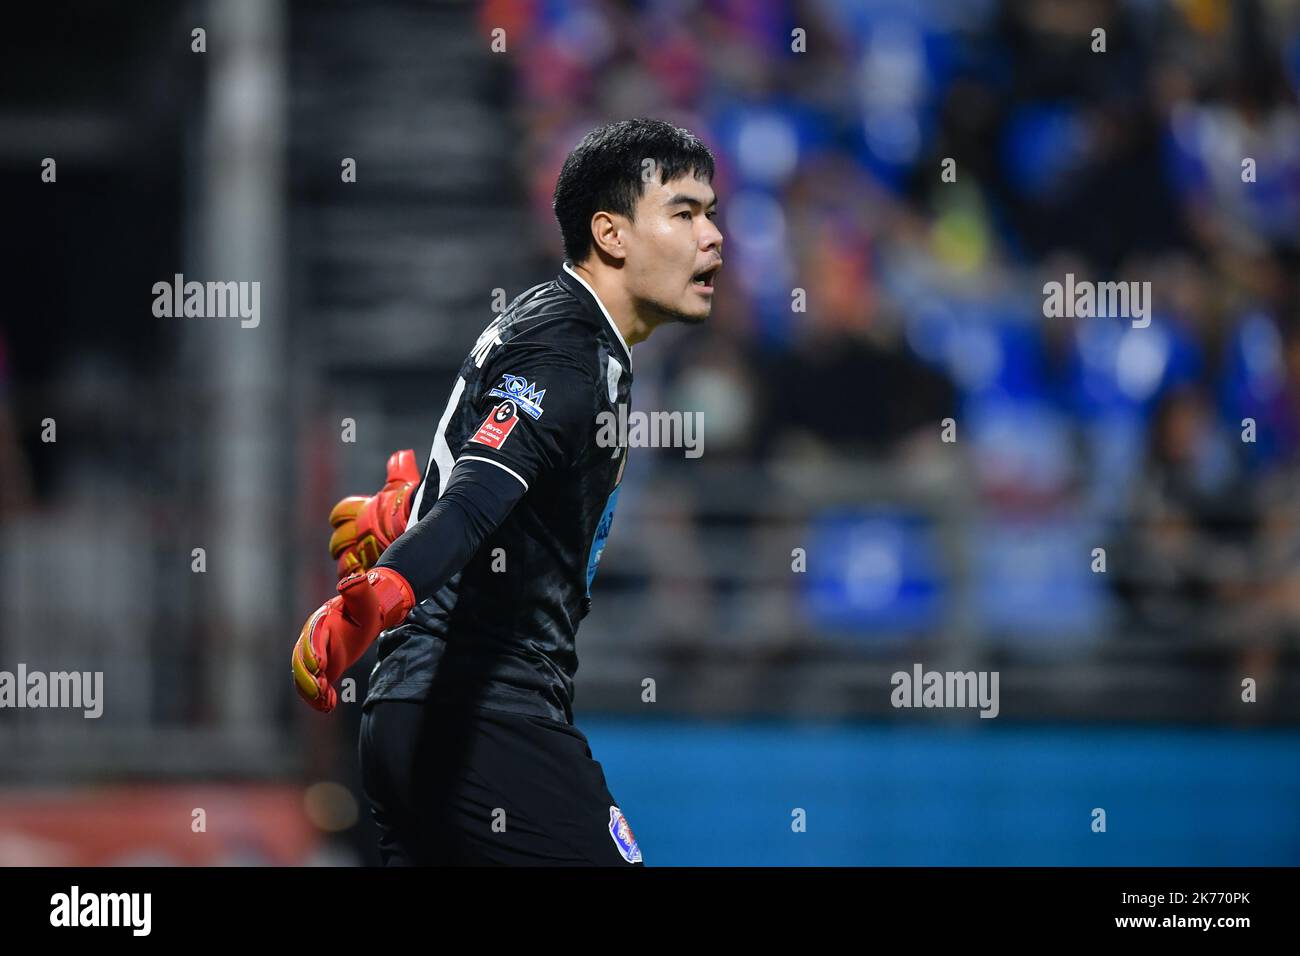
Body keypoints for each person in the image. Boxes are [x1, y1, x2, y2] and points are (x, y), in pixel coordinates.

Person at [290, 118, 723, 865]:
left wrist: (401, 515)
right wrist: (384, 591)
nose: (711, 235)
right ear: (611, 235)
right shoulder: (569, 353)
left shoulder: (550, 320)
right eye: (683, 214)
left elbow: (487, 478)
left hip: (415, 718)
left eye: (710, 213)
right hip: (481, 720)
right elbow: (476, 502)